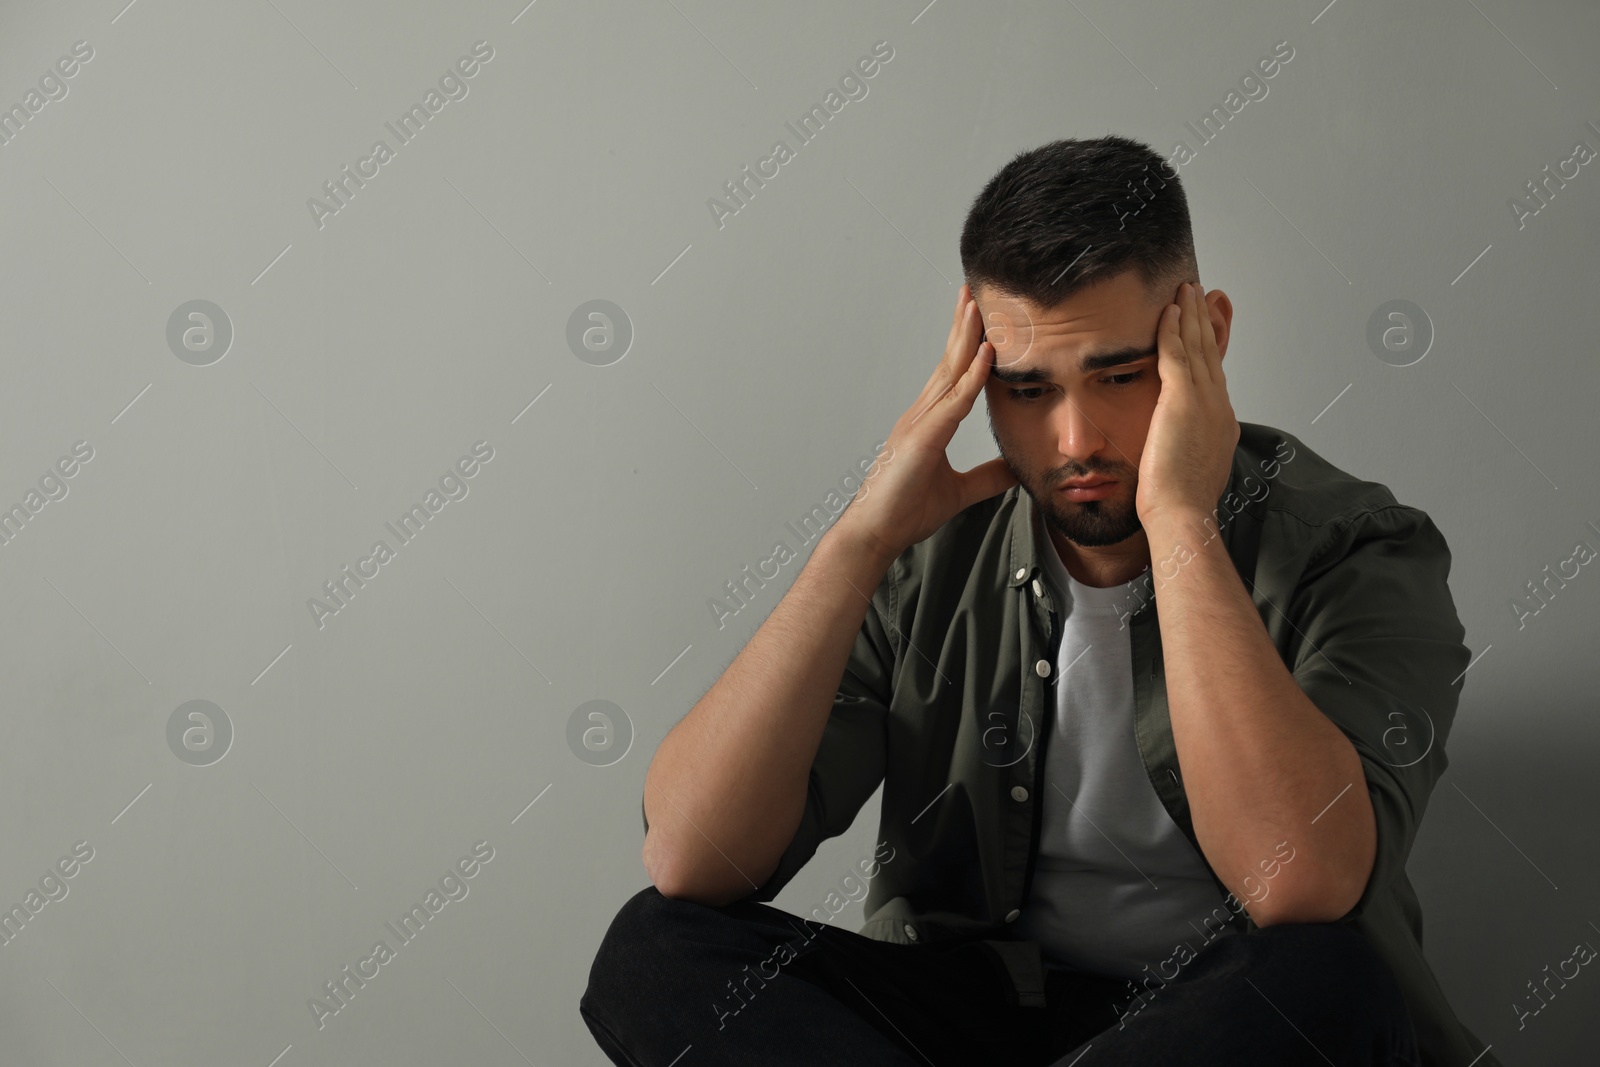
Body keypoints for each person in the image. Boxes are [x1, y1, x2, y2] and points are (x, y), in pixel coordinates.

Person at [580, 135, 1500, 1067]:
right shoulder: (925, 555)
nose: (1074, 440)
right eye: (1026, 389)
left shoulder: (1357, 548)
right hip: (985, 1018)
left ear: (1206, 339)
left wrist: (1180, 519)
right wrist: (857, 542)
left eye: (1118, 375)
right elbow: (693, 859)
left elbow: (1299, 884)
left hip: (1224, 1024)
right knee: (653, 953)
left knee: (1328, 979)